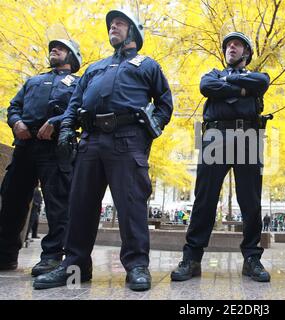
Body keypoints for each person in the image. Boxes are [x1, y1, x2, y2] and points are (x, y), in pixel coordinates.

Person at [33, 8, 173, 291]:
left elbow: (165, 104)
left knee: (131, 205)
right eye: (111, 24)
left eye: (120, 24)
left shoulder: (148, 65)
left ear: (133, 32)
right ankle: (75, 270)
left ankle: (136, 267)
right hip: (90, 141)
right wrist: (66, 131)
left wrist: (148, 131)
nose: (113, 27)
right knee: (80, 206)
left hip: (127, 139)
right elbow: (74, 103)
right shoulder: (95, 67)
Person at [170, 31, 271, 283]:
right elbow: (206, 87)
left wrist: (228, 89)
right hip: (215, 135)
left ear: (246, 53)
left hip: (248, 135)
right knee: (204, 198)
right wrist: (241, 91)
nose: (231, 48)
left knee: (250, 201)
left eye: (237, 45)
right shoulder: (213, 74)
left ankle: (252, 258)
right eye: (228, 46)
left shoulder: (255, 76)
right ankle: (192, 258)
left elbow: (262, 82)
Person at [0, 37, 81, 275]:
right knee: (11, 202)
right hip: (25, 148)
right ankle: (5, 255)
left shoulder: (78, 83)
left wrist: (57, 122)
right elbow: (13, 107)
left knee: (58, 206)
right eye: (52, 48)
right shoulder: (33, 81)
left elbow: (79, 109)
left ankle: (52, 257)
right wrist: (16, 123)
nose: (53, 50)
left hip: (55, 150)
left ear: (72, 56)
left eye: (61, 48)